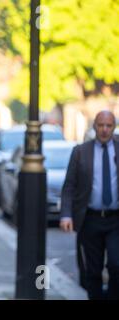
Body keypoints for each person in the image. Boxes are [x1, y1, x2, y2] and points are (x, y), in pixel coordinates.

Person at [60, 110, 119, 300]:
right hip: (90, 218)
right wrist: (66, 215)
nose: (104, 130)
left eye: (108, 126)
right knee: (91, 270)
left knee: (116, 265)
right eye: (100, 125)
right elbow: (69, 185)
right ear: (94, 126)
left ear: (114, 127)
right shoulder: (80, 151)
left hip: (115, 220)